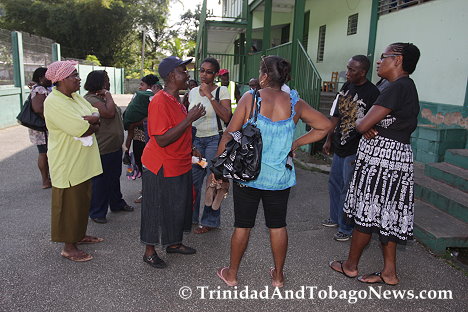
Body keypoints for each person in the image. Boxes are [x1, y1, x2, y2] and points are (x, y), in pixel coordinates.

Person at [215, 56, 332, 287]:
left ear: (265, 76)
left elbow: (229, 134)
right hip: (280, 178)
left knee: (242, 225)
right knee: (277, 226)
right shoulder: (294, 103)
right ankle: (278, 276)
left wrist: (217, 168)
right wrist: (296, 143)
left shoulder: (251, 98)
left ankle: (232, 274)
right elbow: (325, 125)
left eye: (260, 72)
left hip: (248, 177)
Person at [329, 42, 421, 286]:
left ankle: (350, 265)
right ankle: (389, 272)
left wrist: (368, 125)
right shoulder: (405, 86)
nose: (379, 62)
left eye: (384, 57)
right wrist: (371, 125)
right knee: (386, 214)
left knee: (367, 214)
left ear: (398, 60)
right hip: (395, 158)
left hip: (382, 160)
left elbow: (361, 125)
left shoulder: (396, 87)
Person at [140, 56, 206, 269]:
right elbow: (161, 138)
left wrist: (191, 147)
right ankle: (149, 252)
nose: (187, 74)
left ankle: (173, 243)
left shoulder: (177, 99)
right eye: (182, 71)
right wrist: (190, 119)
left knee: (178, 205)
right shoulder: (159, 101)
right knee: (156, 208)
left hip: (179, 161)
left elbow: (180, 130)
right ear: (171, 76)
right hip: (160, 164)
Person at [43, 60, 104, 262]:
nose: (79, 79)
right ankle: (69, 247)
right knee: (68, 205)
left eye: (77, 75)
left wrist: (92, 119)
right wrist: (92, 123)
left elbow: (96, 113)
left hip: (82, 162)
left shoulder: (75, 97)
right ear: (60, 80)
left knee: (81, 202)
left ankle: (79, 235)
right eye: (74, 76)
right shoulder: (54, 101)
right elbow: (84, 128)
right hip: (67, 162)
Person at [322, 55, 380, 241]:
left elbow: (375, 125)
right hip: (340, 144)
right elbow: (336, 116)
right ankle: (335, 218)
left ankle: (346, 228)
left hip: (356, 149)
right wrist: (329, 139)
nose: (347, 73)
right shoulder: (347, 86)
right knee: (334, 184)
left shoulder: (373, 93)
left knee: (349, 189)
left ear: (363, 72)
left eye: (352, 70)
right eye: (347, 68)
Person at [83, 70, 134, 224]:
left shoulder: (101, 97)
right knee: (101, 181)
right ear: (98, 82)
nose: (109, 83)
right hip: (102, 148)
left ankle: (116, 203)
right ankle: (97, 212)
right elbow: (109, 113)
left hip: (113, 147)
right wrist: (109, 96)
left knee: (113, 178)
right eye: (106, 80)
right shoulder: (91, 100)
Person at [189, 58, 232, 233]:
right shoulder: (192, 92)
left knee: (213, 182)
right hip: (195, 140)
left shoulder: (222, 91)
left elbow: (227, 117)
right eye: (202, 70)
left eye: (209, 72)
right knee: (193, 181)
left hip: (215, 140)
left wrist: (209, 95)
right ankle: (190, 218)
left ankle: (209, 221)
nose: (204, 74)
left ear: (215, 74)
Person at [123, 74, 160, 203]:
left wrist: (137, 122)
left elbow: (150, 118)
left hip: (147, 141)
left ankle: (148, 193)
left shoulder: (155, 100)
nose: (140, 87)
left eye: (142, 85)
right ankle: (146, 189)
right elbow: (131, 120)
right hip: (138, 139)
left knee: (147, 167)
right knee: (140, 164)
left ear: (151, 87)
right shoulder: (139, 100)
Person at [28, 67, 52, 189]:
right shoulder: (39, 90)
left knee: (46, 152)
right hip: (42, 128)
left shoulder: (43, 88)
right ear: (41, 78)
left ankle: (48, 178)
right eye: (48, 76)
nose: (51, 78)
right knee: (43, 153)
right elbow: (38, 109)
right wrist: (50, 121)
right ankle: (45, 180)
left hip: (44, 127)